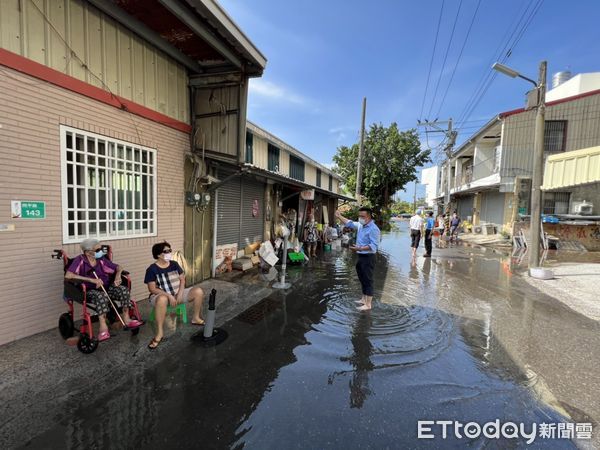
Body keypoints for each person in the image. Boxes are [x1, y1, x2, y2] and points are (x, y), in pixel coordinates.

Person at [65, 239, 143, 342]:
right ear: (88, 252)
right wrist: (91, 280)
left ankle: (127, 319)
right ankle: (103, 328)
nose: (101, 251)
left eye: (101, 248)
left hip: (106, 287)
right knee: (101, 296)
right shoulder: (80, 260)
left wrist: (118, 276)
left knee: (123, 290)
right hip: (89, 290)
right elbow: (68, 275)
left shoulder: (101, 259)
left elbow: (118, 267)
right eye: (98, 249)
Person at [144, 241, 205, 349]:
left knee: (198, 291)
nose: (169, 253)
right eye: (166, 251)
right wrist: (169, 296)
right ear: (158, 255)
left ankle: (196, 318)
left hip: (177, 292)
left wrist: (180, 293)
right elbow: (152, 289)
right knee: (162, 299)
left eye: (170, 250)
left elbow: (182, 279)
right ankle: (160, 333)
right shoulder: (152, 269)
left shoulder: (174, 264)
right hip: (160, 296)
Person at [335, 207, 381, 311]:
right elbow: (350, 223)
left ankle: (368, 304)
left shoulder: (374, 229)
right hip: (361, 255)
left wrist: (359, 248)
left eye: (362, 216)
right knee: (362, 278)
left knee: (368, 280)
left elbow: (373, 245)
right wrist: (339, 216)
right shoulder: (361, 225)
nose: (360, 218)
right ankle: (363, 299)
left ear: (369, 217)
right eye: (359, 216)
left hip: (369, 257)